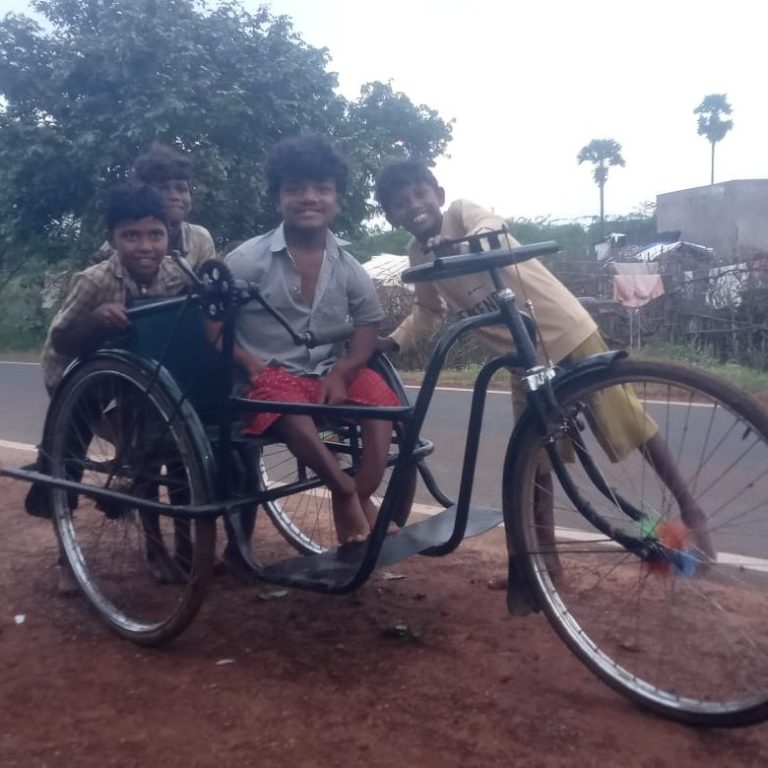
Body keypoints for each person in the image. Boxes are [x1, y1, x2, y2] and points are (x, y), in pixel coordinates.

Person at [374, 159, 714, 562]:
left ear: (439, 195)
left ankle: (692, 510)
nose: (414, 205)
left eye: (420, 194)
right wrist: (392, 342)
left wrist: (465, 247)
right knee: (535, 461)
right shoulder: (418, 254)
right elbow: (429, 309)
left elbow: (491, 230)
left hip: (565, 331)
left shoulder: (462, 215)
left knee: (628, 422)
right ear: (392, 217)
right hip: (523, 359)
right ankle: (544, 562)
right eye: (400, 203)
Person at [212, 134, 399, 545]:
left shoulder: (348, 266)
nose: (309, 198)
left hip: (326, 375)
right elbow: (212, 324)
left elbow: (368, 322)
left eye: (322, 189)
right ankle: (343, 489)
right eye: (295, 189)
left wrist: (345, 369)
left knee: (378, 392)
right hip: (264, 379)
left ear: (337, 200)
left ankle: (362, 489)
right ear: (279, 200)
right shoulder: (247, 260)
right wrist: (247, 363)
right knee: (281, 396)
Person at [30, 183, 205, 593]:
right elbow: (62, 340)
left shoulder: (176, 273)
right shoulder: (94, 280)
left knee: (161, 452)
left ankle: (178, 549)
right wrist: (96, 319)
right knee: (65, 459)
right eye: (131, 235)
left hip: (138, 373)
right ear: (112, 239)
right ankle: (66, 557)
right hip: (79, 374)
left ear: (168, 234)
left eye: (155, 234)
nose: (145, 246)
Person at [91, 143, 215, 270]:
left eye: (181, 189)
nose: (175, 196)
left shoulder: (200, 239)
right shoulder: (119, 243)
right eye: (163, 189)